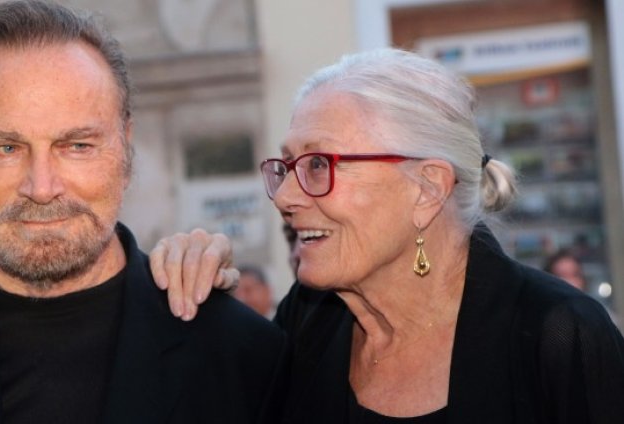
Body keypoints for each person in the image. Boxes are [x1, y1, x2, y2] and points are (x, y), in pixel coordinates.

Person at [151, 48, 624, 422]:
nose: (286, 197)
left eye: (318, 164)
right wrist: (196, 298)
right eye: (288, 166)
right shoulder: (308, 318)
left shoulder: (558, 336)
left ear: (427, 189)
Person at [0, 2, 286, 423]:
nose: (42, 187)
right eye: (6, 148)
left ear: (125, 147)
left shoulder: (242, 355)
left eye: (77, 146)